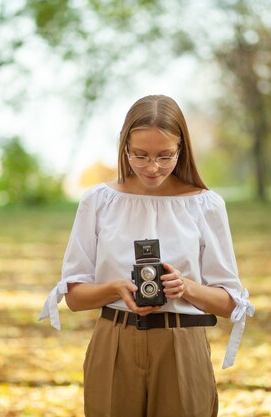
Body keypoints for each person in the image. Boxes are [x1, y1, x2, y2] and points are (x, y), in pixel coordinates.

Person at [39, 94, 254, 417]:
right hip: (115, 341)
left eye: (165, 156)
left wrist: (185, 287)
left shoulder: (205, 205)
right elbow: (74, 297)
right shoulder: (98, 202)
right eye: (140, 155)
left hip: (182, 343)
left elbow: (228, 304)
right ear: (124, 147)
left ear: (182, 150)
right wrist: (115, 289)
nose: (152, 168)